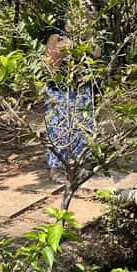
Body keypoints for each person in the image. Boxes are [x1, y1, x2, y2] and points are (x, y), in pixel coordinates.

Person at [43, 16, 97, 185]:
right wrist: (66, 47)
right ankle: (56, 169)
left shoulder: (88, 38)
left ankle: (85, 164)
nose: (84, 22)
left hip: (82, 89)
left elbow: (97, 54)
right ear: (69, 22)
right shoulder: (56, 37)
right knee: (58, 128)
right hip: (59, 91)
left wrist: (85, 41)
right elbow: (50, 65)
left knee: (84, 127)